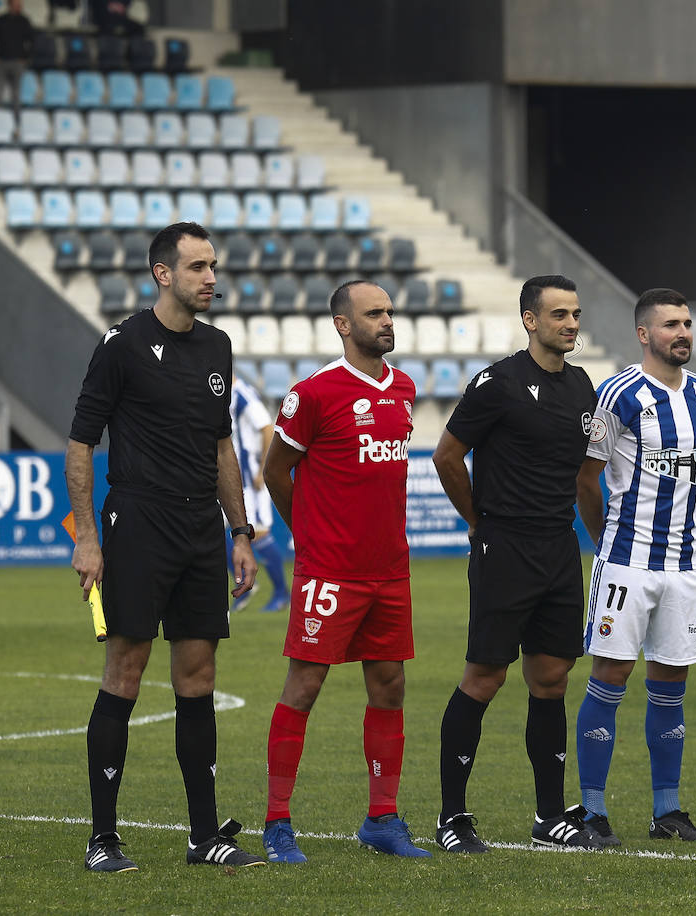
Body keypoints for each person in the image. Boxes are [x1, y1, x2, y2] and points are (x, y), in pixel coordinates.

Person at [65, 221, 265, 872]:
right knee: (125, 671)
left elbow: (221, 445)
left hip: (201, 528)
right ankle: (103, 838)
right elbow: (80, 442)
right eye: (199, 267)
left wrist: (239, 530)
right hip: (137, 522)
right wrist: (88, 536)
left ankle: (204, 835)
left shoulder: (217, 346)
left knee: (198, 676)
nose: (211, 278)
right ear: (163, 273)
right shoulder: (122, 344)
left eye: (214, 267)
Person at [258, 279, 430, 863]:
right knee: (304, 688)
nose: (387, 320)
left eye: (389, 311)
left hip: (390, 570)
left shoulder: (404, 387)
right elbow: (276, 471)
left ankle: (382, 817)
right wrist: (307, 534)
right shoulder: (313, 394)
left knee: (390, 687)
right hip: (329, 571)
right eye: (373, 313)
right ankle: (277, 822)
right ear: (342, 324)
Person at [433, 275, 600, 853]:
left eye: (575, 314)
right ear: (530, 320)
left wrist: (597, 534)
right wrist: (479, 521)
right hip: (504, 546)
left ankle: (550, 817)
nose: (571, 324)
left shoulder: (583, 387)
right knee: (485, 677)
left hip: (559, 548)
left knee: (551, 679)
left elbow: (585, 475)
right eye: (559, 315)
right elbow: (447, 456)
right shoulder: (497, 383)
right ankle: (452, 817)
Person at [573, 288, 696, 846]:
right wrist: (605, 541)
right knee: (611, 676)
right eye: (670, 325)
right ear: (643, 334)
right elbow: (587, 479)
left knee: (672, 680)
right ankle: (591, 811)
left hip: (687, 564)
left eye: (686, 323)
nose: (682, 333)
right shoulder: (619, 395)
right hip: (627, 562)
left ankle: (668, 812)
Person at [226, 373, 289, 613]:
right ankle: (245, 584)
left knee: (258, 532)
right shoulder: (224, 392)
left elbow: (266, 427)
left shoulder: (242, 393)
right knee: (222, 533)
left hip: (248, 478)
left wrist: (263, 467)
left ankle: (282, 593)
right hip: (229, 478)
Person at [0, 0, 32, 111]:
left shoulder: (24, 21)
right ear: (10, 5)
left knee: (16, 94)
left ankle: (16, 120)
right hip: (1, 61)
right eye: (16, 5)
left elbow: (32, 41)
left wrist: (26, 57)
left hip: (18, 62)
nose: (19, 7)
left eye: (20, 5)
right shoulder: (1, 20)